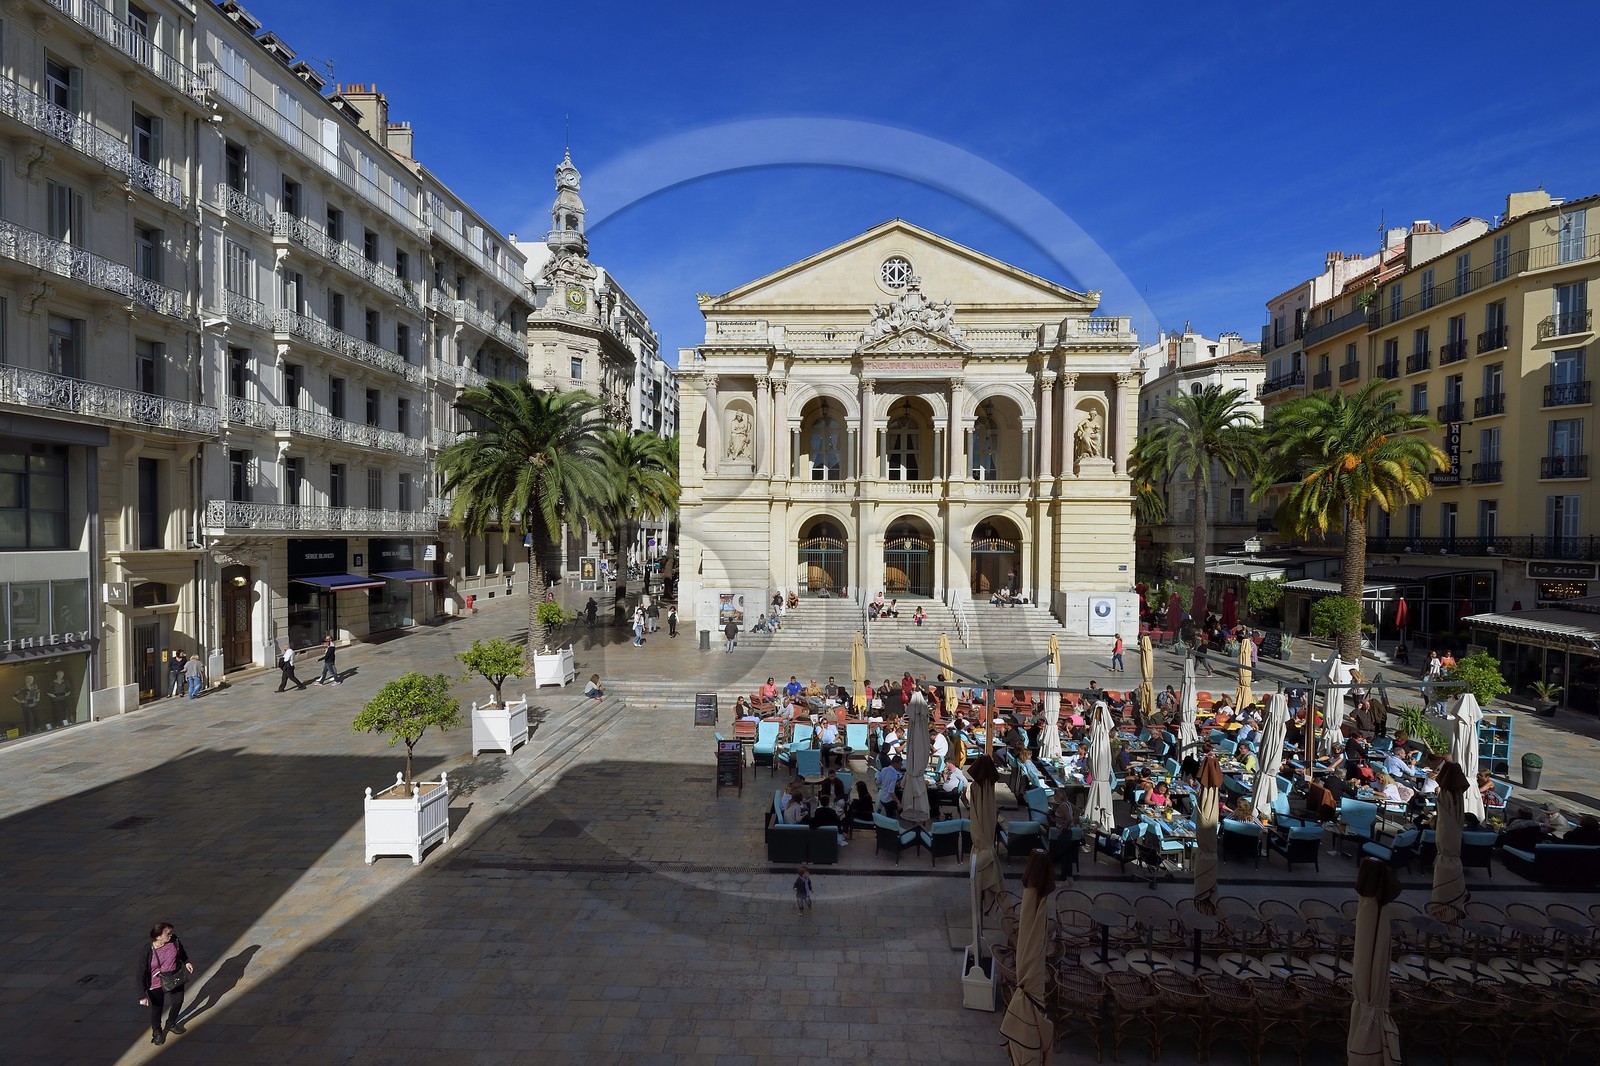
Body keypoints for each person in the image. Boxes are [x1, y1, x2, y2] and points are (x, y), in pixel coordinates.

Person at [137, 921, 194, 1045]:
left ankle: (171, 1023)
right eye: (167, 933)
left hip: (174, 977)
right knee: (157, 1008)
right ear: (158, 937)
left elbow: (181, 951)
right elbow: (140, 973)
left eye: (171, 932)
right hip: (155, 982)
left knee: (178, 1001)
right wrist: (142, 995)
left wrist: (187, 961)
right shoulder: (147, 950)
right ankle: (157, 1031)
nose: (171, 935)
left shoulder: (174, 939)